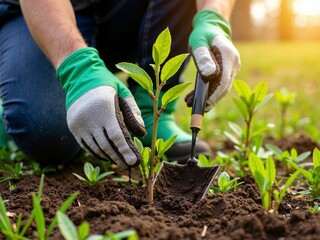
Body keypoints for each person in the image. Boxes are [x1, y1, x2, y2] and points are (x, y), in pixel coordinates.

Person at [0, 0, 240, 169]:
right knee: (50, 137)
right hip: (38, 13)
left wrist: (213, 17)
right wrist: (78, 69)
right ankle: (8, 116)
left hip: (119, 10)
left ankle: (150, 114)